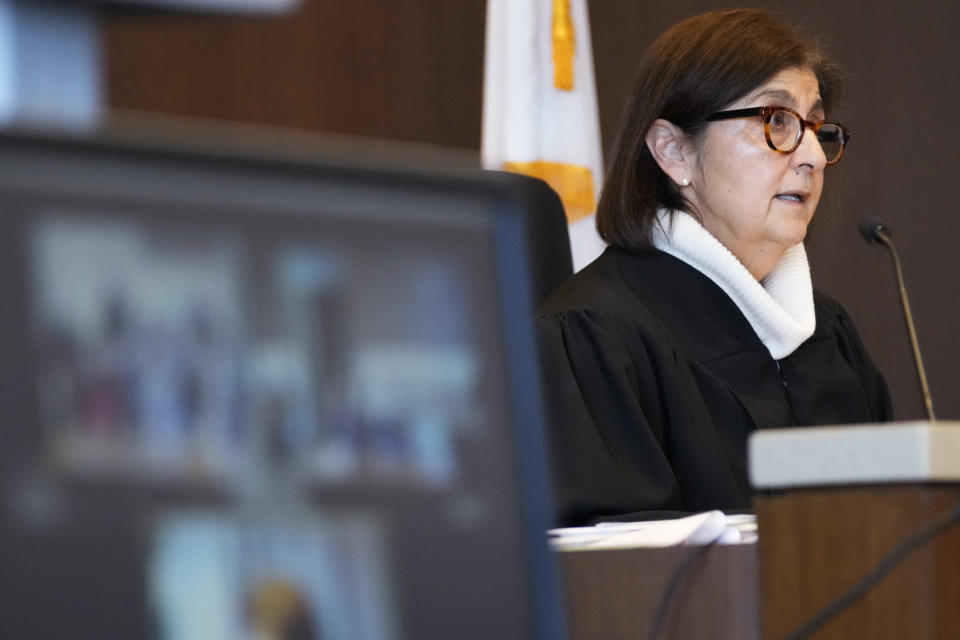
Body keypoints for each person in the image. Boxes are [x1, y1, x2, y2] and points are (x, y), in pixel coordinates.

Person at [537, 8, 892, 526]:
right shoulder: (596, 337)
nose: (812, 154)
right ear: (673, 151)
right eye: (776, 120)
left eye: (815, 126)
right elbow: (617, 584)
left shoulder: (827, 333)